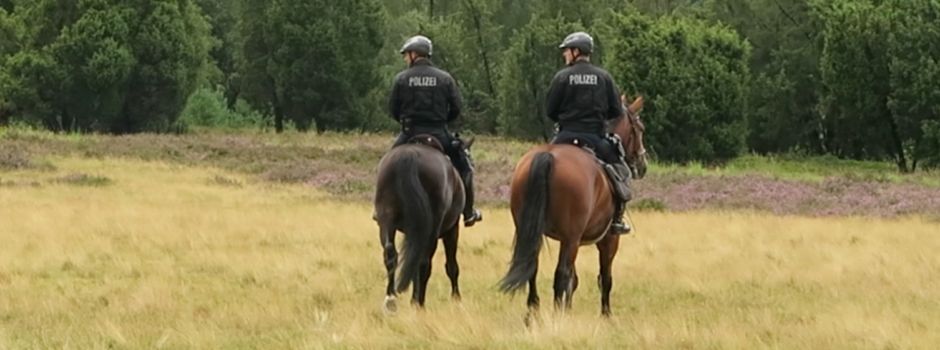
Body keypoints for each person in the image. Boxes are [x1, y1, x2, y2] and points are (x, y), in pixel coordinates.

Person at [388, 35, 483, 227]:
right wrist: (443, 121)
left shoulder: (401, 78)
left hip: (410, 133)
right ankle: (468, 212)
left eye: (406, 55)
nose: (405, 58)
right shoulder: (445, 78)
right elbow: (456, 108)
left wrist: (406, 122)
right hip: (439, 133)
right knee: (465, 167)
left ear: (414, 55)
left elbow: (393, 109)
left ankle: (383, 209)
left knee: (386, 166)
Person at [546, 31, 632, 234]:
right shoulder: (604, 77)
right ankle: (617, 219)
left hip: (565, 137)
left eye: (567, 51)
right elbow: (616, 111)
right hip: (595, 139)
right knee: (621, 171)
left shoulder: (561, 77)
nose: (565, 54)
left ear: (576, 51)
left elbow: (550, 111)